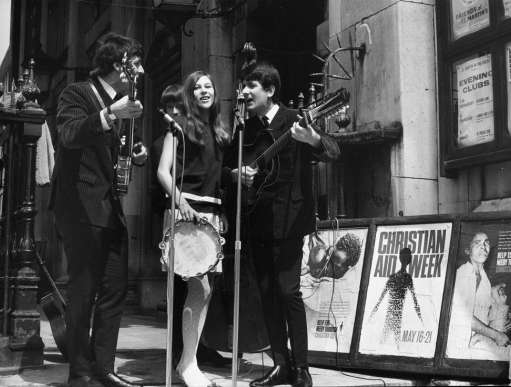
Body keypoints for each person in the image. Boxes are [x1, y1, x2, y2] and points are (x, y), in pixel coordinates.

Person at [226, 62, 340, 387]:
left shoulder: (295, 119)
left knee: (288, 292)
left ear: (270, 90)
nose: (244, 92)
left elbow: (334, 150)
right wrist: (239, 175)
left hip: (289, 221)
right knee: (266, 293)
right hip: (256, 221)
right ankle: (280, 363)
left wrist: (313, 138)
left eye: (251, 86)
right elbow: (229, 169)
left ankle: (301, 367)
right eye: (242, 85)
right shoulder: (245, 128)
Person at [50, 32, 147, 387]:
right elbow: (70, 134)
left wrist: (134, 154)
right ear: (117, 64)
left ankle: (104, 368)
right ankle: (80, 372)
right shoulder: (76, 93)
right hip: (79, 207)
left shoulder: (121, 102)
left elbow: (110, 153)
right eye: (135, 63)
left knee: (115, 288)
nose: (141, 70)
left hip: (110, 209)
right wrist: (109, 114)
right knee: (83, 289)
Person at [157, 70, 230, 387]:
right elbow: (163, 171)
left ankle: (188, 362)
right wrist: (181, 204)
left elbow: (217, 178)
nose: (204, 90)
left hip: (211, 214)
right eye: (198, 87)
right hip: (187, 211)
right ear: (189, 94)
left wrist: (223, 210)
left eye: (209, 86)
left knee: (205, 291)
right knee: (200, 289)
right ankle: (187, 365)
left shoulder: (219, 131)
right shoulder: (179, 126)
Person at [447, 232, 510, 359]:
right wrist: (496, 335)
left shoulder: (485, 280)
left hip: (477, 343)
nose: (483, 246)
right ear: (467, 250)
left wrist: (501, 310)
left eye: (486, 242)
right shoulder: (462, 275)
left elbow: (484, 317)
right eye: (477, 243)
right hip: (460, 348)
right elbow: (463, 317)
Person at [369, 247, 423, 348]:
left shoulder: (393, 277)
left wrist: (371, 315)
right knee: (395, 344)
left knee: (384, 342)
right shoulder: (407, 278)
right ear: (409, 260)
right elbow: (415, 302)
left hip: (391, 314)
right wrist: (421, 320)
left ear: (400, 258)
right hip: (397, 314)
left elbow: (380, 300)